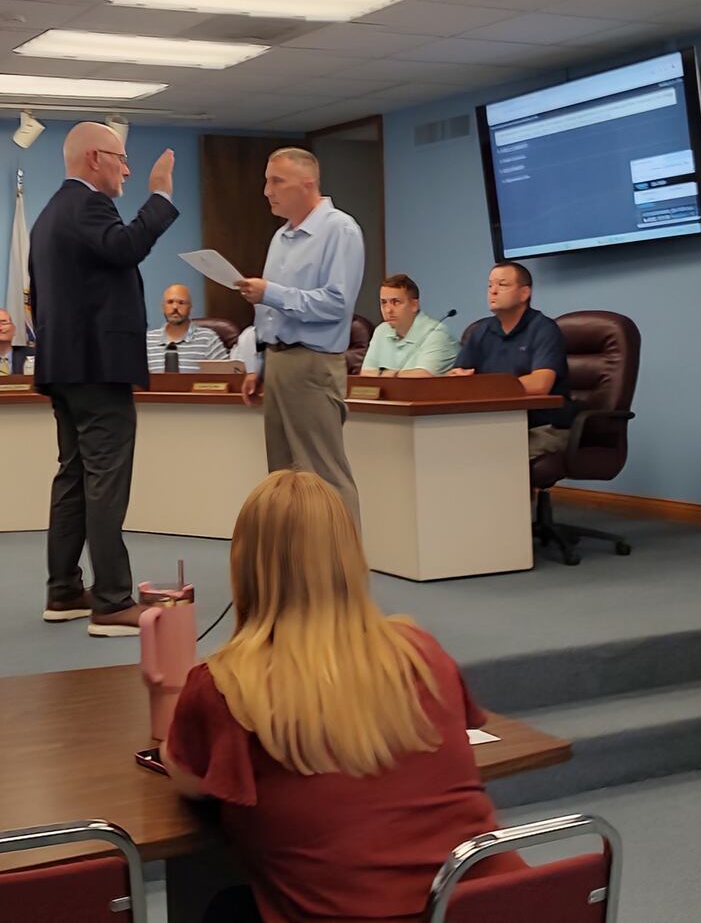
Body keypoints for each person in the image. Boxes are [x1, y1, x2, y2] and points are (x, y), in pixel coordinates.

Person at [162, 470, 524, 923]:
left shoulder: (226, 686)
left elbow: (189, 780)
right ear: (351, 556)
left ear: (244, 565)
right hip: (497, 906)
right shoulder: (420, 652)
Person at [29, 121, 178, 636]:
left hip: (64, 368)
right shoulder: (88, 205)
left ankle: (64, 590)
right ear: (95, 158)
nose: (127, 170)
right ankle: (112, 601)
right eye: (121, 158)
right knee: (105, 481)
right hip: (98, 368)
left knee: (73, 477)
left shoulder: (49, 214)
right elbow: (125, 246)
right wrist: (160, 196)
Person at [236, 148, 364, 523]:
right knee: (282, 479)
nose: (267, 191)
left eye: (277, 181)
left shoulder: (340, 230)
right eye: (267, 181)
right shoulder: (281, 237)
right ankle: (294, 556)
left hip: (312, 364)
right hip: (278, 363)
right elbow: (269, 314)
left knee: (323, 475)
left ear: (308, 184)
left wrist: (270, 293)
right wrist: (259, 365)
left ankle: (342, 560)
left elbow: (336, 304)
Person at [449, 261, 578, 459]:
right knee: (450, 451)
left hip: (543, 426)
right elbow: (455, 377)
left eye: (502, 285)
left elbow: (540, 384)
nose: (493, 291)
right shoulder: (481, 331)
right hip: (495, 424)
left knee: (492, 458)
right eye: (490, 285)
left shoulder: (544, 329)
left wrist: (481, 387)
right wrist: (457, 380)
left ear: (524, 293)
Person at [360, 273, 458, 377]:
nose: (388, 310)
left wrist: (386, 374)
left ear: (414, 305)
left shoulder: (436, 334)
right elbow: (366, 375)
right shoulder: (381, 330)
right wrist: (392, 374)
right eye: (384, 303)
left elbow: (423, 377)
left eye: (396, 302)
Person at [147, 284, 229, 373]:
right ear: (163, 307)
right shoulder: (147, 340)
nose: (175, 307)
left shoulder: (208, 339)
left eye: (181, 303)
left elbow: (226, 375)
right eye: (170, 302)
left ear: (190, 308)